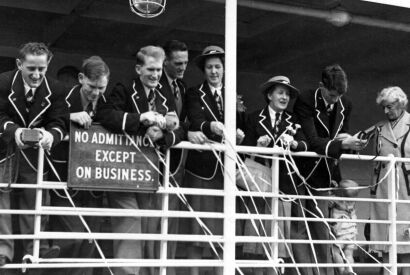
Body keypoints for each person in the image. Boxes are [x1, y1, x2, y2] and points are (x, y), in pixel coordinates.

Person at [96, 45, 185, 275]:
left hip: (150, 171)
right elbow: (106, 115)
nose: (155, 75)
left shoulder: (165, 94)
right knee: (129, 221)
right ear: (138, 68)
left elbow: (182, 128)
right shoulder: (124, 89)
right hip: (123, 169)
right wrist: (140, 119)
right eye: (150, 69)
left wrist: (165, 136)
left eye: (158, 70)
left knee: (149, 227)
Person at [292, 64, 366, 275]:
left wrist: (349, 141)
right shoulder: (306, 99)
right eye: (332, 95)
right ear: (321, 86)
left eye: (340, 95)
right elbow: (312, 140)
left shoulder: (345, 104)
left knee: (325, 229)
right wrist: (342, 144)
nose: (336, 100)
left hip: (328, 174)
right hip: (302, 173)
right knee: (299, 229)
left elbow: (340, 136)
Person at [0, 42, 68, 266]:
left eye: (42, 69)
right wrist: (14, 130)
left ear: (48, 65)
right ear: (19, 64)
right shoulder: (3, 82)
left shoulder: (56, 89)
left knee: (36, 199)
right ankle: (3, 252)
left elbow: (60, 122)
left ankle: (34, 252)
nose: (37, 74)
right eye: (31, 69)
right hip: (4, 151)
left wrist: (51, 136)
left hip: (34, 156)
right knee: (2, 202)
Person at [184, 45, 244, 275]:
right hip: (202, 169)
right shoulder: (194, 93)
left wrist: (239, 133)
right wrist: (211, 126)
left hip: (226, 170)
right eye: (209, 67)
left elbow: (242, 125)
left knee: (224, 231)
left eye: (218, 66)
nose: (214, 71)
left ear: (224, 68)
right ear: (204, 70)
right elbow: (195, 119)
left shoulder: (233, 95)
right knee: (197, 232)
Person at [48, 56, 110, 275]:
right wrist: (70, 116)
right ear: (81, 79)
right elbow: (44, 119)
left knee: (90, 239)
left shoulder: (106, 102)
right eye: (92, 87)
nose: (96, 93)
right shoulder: (61, 97)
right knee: (70, 236)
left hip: (92, 182)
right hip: (64, 176)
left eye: (101, 88)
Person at [242, 75, 308, 275]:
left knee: (278, 238)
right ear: (269, 95)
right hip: (259, 182)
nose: (284, 97)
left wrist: (295, 144)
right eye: (280, 92)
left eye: (287, 94)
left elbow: (305, 144)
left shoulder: (293, 120)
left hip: (283, 185)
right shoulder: (254, 117)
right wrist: (257, 146)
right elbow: (243, 150)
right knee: (257, 234)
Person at [369, 86, 410, 275]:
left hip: (406, 190)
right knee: (385, 240)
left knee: (406, 242)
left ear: (401, 104)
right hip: (384, 189)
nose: (386, 111)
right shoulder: (379, 128)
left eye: (390, 107)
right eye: (384, 107)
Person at [158, 39, 189, 275]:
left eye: (185, 63)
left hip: (177, 161)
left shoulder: (183, 87)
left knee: (174, 215)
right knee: (157, 217)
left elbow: (184, 121)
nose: (182, 67)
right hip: (157, 160)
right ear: (165, 61)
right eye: (177, 63)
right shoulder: (154, 84)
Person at [329, 179, 359, 275]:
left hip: (341, 231)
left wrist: (333, 189)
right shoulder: (352, 202)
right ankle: (350, 271)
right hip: (351, 232)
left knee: (335, 252)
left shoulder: (339, 201)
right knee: (349, 254)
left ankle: (342, 271)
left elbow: (329, 198)